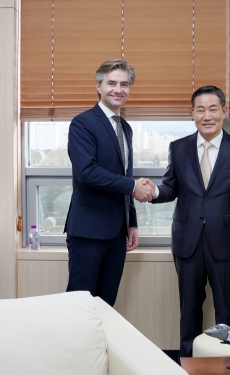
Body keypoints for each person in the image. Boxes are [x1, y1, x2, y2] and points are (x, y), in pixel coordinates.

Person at [138, 85, 230, 357]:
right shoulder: (178, 148)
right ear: (192, 113)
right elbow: (170, 188)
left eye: (213, 109)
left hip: (227, 242)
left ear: (224, 111)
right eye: (200, 110)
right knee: (189, 310)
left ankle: (228, 361)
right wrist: (154, 192)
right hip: (187, 240)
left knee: (226, 310)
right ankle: (188, 364)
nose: (207, 116)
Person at [64, 59, 155, 306]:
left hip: (117, 233)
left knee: (106, 303)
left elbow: (127, 176)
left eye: (124, 84)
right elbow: (87, 172)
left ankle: (99, 347)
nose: (118, 89)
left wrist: (132, 223)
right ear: (98, 86)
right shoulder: (83, 123)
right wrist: (132, 186)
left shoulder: (124, 127)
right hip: (88, 231)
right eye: (111, 83)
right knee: (79, 304)